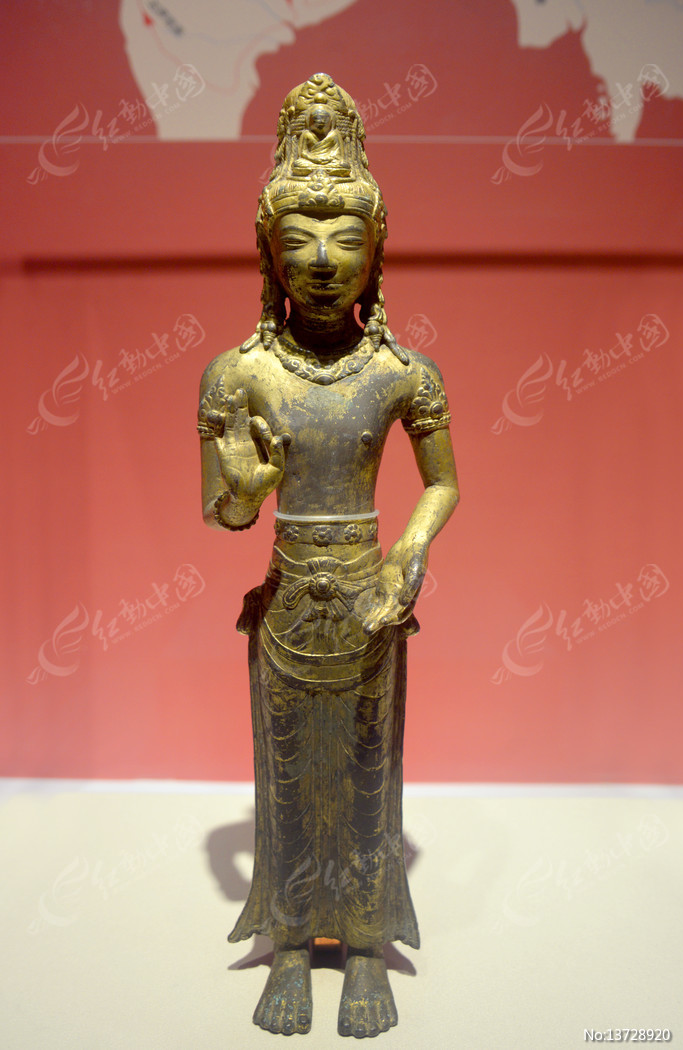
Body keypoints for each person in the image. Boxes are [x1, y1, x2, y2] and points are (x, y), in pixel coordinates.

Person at [198, 73, 458, 1039]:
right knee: (288, 780)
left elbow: (443, 484)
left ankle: (364, 947)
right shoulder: (237, 375)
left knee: (366, 776)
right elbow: (223, 514)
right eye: (298, 237)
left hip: (369, 601)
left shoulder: (402, 373)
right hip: (285, 610)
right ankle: (291, 946)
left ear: (377, 251)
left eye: (345, 237)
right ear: (266, 250)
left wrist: (409, 555)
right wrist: (248, 486)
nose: (320, 260)